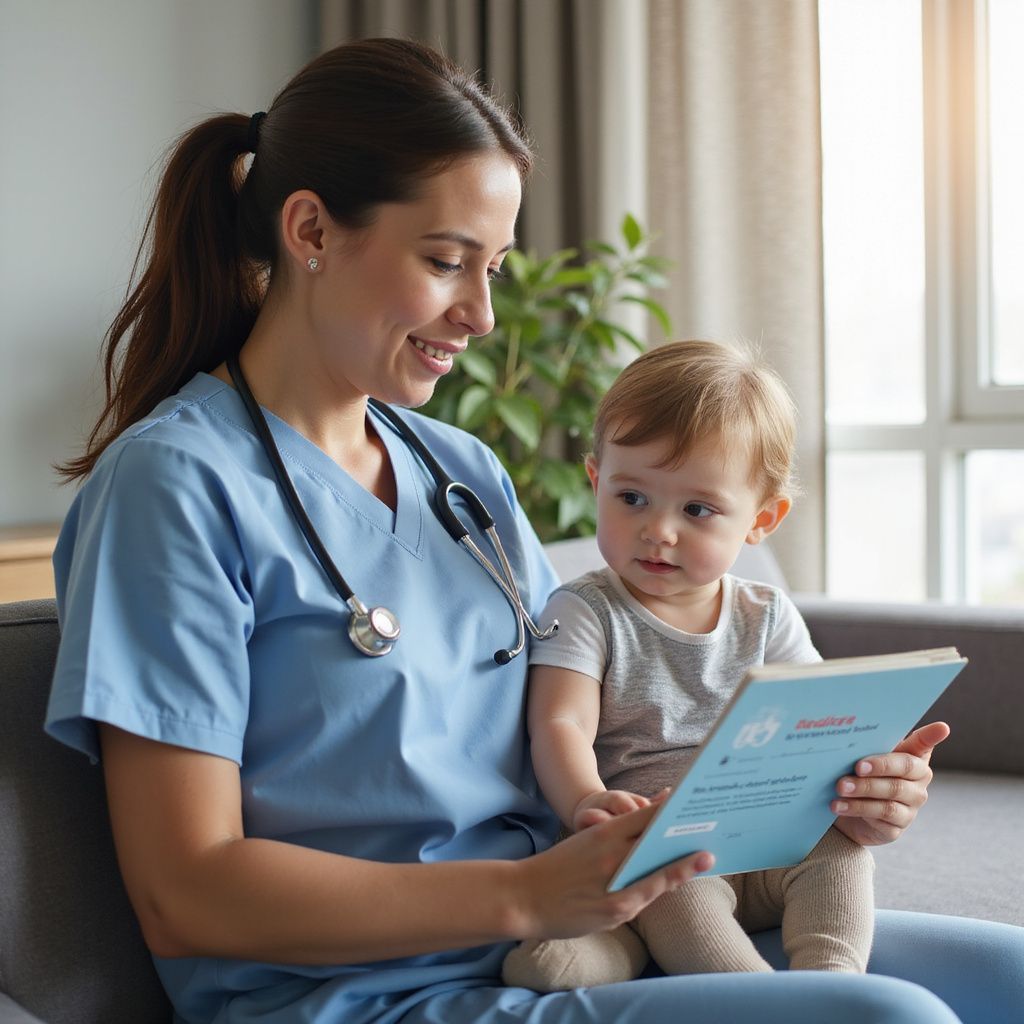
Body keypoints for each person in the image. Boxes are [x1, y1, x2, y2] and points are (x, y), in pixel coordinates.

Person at [43, 37, 1022, 1024]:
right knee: (889, 1017)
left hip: (603, 936)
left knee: (1009, 977)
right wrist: (524, 894)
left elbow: (610, 714)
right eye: (446, 262)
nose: (481, 314)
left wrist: (834, 788)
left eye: (495, 269)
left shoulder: (460, 473)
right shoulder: (174, 489)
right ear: (311, 230)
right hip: (379, 995)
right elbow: (185, 892)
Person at [502, 340, 874, 991]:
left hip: (764, 837)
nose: (659, 531)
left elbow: (817, 719)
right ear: (595, 481)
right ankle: (760, 1000)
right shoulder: (586, 609)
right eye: (632, 497)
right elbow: (559, 723)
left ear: (762, 519)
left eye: (697, 510)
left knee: (842, 850)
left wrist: (869, 772)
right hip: (655, 844)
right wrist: (587, 799)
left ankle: (832, 984)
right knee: (669, 877)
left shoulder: (766, 614)